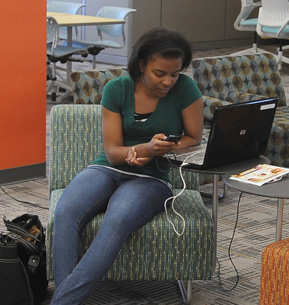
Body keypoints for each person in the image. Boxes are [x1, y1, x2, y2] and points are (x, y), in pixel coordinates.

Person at [49, 27, 204, 304]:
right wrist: (144, 148)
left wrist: (160, 151)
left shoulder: (186, 89)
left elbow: (194, 139)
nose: (168, 81)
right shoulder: (117, 89)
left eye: (175, 73)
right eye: (160, 73)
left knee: (117, 221)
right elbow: (112, 153)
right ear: (141, 64)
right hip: (108, 169)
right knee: (66, 213)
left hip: (152, 178)